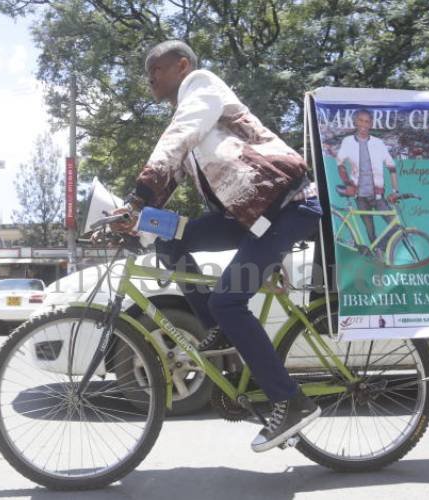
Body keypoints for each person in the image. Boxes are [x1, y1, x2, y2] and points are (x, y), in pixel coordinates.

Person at [112, 40, 322, 452]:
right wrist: (131, 216)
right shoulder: (193, 115)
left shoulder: (202, 88)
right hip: (250, 215)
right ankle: (221, 336)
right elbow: (171, 173)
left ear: (182, 65)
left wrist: (138, 195)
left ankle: (291, 401)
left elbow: (176, 139)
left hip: (287, 208)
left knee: (228, 300)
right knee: (170, 237)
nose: (149, 78)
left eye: (155, 69)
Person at [336, 109, 400, 247]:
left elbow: (392, 167)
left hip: (377, 194)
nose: (363, 124)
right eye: (360, 120)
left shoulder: (378, 143)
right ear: (355, 122)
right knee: (370, 232)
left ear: (371, 124)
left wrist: (395, 191)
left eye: (367, 121)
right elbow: (340, 164)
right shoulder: (347, 142)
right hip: (360, 196)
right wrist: (347, 183)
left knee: (395, 225)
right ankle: (375, 255)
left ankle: (380, 248)